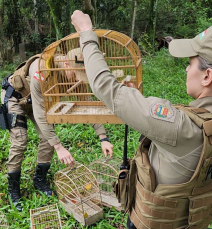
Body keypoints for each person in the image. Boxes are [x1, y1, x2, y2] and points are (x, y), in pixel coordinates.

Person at [71, 10, 212, 229]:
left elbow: (104, 86)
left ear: (207, 76)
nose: (186, 68)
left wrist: (86, 34)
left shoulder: (183, 128)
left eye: (191, 63)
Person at [1, 51, 113, 211]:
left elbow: (86, 104)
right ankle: (14, 190)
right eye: (75, 74)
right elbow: (40, 115)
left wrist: (103, 137)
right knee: (20, 140)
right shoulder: (42, 70)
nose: (77, 79)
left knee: (47, 138)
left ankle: (39, 180)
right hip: (15, 97)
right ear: (67, 63)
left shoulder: (74, 71)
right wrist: (59, 147)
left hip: (36, 100)